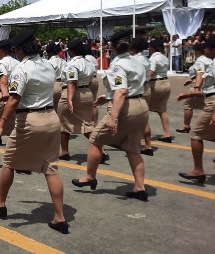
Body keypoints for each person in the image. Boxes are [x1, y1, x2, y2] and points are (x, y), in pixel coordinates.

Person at [0, 29, 68, 234]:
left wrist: (1, 123)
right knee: (51, 168)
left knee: (9, 161)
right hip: (51, 117)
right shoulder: (48, 65)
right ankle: (60, 217)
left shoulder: (22, 69)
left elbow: (14, 99)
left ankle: (0, 203)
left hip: (29, 119)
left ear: (21, 49)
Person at [73, 30, 149, 201]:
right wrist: (107, 96)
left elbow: (121, 91)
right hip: (141, 105)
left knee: (95, 140)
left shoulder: (117, 65)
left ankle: (90, 177)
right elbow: (128, 86)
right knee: (133, 148)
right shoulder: (138, 62)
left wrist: (113, 117)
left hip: (125, 108)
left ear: (111, 46)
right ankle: (140, 187)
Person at [177, 38, 215, 185]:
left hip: (213, 103)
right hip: (209, 98)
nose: (205, 50)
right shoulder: (211, 62)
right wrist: (189, 94)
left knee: (196, 134)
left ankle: (198, 170)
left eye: (207, 48)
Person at [57, 39, 98, 162]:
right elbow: (91, 80)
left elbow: (72, 82)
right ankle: (100, 150)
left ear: (72, 51)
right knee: (87, 124)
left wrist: (69, 99)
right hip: (86, 92)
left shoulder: (72, 64)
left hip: (73, 93)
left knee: (64, 124)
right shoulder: (89, 62)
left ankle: (64, 151)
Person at [176, 43, 212, 134]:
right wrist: (191, 79)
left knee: (188, 105)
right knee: (207, 105)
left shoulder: (200, 60)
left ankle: (186, 126)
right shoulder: (210, 59)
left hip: (199, 84)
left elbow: (200, 73)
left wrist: (196, 87)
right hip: (207, 84)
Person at [147, 39, 172, 144]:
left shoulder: (153, 58)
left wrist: (143, 81)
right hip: (166, 82)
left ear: (153, 48)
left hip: (155, 84)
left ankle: (142, 135)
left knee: (144, 109)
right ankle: (167, 133)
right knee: (162, 109)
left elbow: (151, 72)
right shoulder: (164, 57)